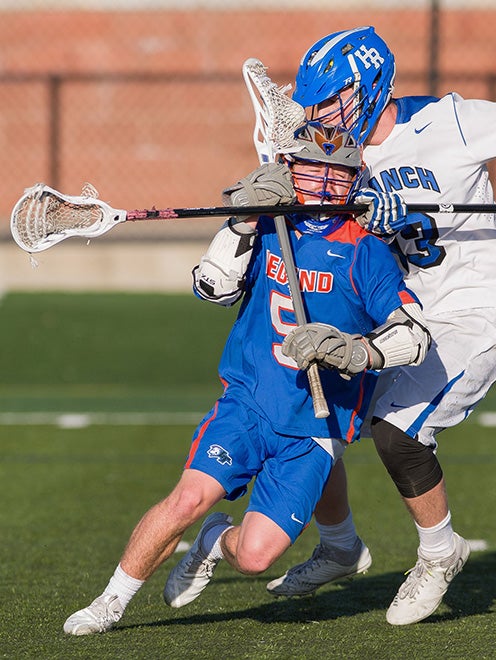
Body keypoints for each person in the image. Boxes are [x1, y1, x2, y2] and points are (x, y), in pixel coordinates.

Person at [266, 26, 496, 626]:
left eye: (331, 101)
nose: (321, 116)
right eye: (315, 105)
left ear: (369, 85)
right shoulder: (337, 155)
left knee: (398, 431)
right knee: (312, 408)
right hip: (393, 312)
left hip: (470, 313)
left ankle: (439, 554)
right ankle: (340, 545)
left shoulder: (449, 120)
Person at [62, 121, 432, 636]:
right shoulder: (264, 224)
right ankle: (110, 602)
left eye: (338, 172)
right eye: (312, 168)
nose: (324, 182)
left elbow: (413, 336)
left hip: (316, 426)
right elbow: (211, 289)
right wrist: (240, 221)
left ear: (356, 178)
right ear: (288, 169)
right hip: (250, 400)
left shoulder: (365, 248)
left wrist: (354, 350)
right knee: (188, 499)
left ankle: (215, 540)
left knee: (256, 557)